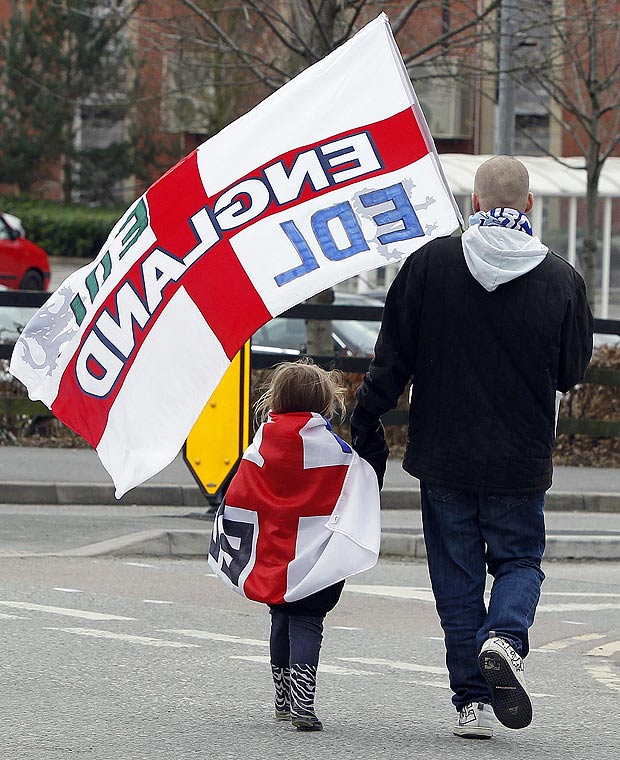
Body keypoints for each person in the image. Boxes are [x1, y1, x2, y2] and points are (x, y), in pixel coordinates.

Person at [350, 155, 593, 739]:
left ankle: (471, 704)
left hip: (444, 454)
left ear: (475, 203)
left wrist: (365, 418)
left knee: (456, 580)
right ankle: (505, 638)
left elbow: (392, 359)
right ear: (529, 205)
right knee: (518, 562)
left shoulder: (429, 266)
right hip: (520, 456)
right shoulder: (561, 280)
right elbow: (570, 371)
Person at [209, 359, 381, 732]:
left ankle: (283, 699)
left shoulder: (260, 446)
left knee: (281, 617)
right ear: (324, 402)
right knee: (308, 621)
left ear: (275, 400)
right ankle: (304, 703)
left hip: (273, 554)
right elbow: (361, 483)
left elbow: (239, 495)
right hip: (317, 553)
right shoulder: (335, 451)